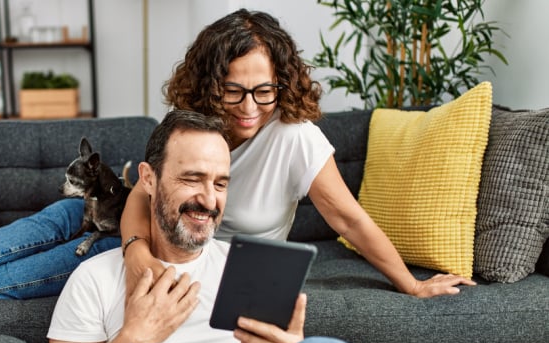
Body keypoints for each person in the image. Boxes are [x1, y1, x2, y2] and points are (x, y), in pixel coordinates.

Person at [119, 8, 476, 298]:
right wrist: (135, 252)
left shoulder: (296, 138)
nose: (249, 108)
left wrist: (412, 285)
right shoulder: (190, 125)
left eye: (264, 91)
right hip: (165, 255)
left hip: (235, 276)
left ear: (282, 84)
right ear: (210, 86)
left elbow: (349, 220)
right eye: (233, 91)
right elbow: (144, 193)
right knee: (86, 242)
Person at [48, 109, 353, 343]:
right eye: (192, 179)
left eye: (220, 184)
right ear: (148, 179)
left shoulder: (251, 270)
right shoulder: (93, 279)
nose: (209, 200)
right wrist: (131, 341)